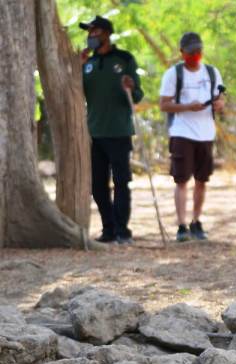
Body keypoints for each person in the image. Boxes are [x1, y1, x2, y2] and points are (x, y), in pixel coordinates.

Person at [80, 16, 143, 244]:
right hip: (93, 133)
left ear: (106, 33)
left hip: (119, 132)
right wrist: (76, 65)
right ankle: (108, 228)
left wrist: (131, 87)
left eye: (95, 31)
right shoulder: (86, 63)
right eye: (89, 33)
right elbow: (75, 93)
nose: (91, 36)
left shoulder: (125, 59)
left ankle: (122, 230)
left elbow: (136, 96)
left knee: (121, 182)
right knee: (97, 184)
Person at [159, 32, 225, 242]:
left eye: (198, 52)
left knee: (201, 180)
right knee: (181, 180)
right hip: (182, 132)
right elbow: (164, 104)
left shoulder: (212, 73)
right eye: (190, 53)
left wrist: (219, 104)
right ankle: (181, 225)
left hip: (206, 133)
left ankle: (196, 221)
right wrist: (188, 106)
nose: (195, 56)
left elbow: (221, 98)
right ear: (182, 53)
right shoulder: (173, 74)